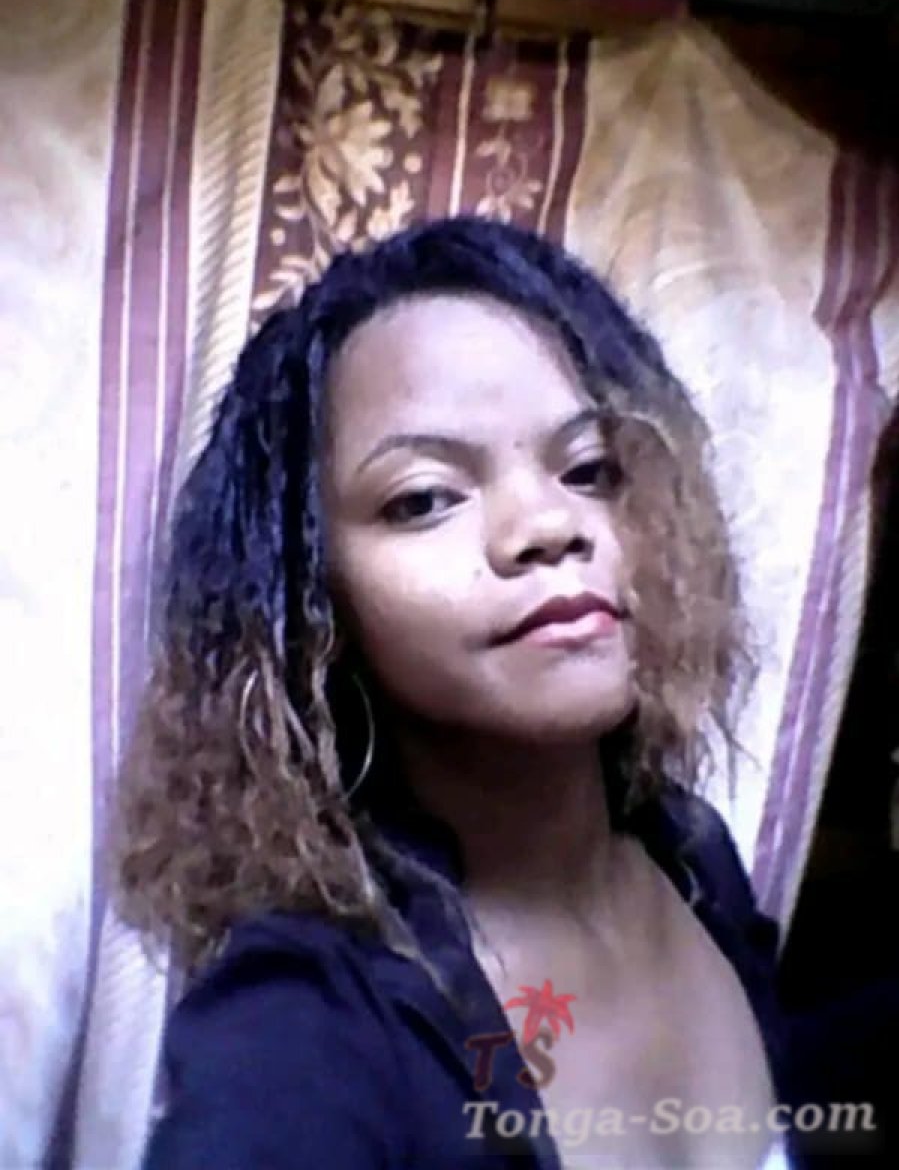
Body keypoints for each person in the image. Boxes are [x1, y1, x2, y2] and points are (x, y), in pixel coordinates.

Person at [114, 216, 798, 1168]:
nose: (548, 524)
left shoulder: (692, 858)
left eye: (590, 469)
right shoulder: (300, 1026)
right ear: (310, 601)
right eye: (425, 497)